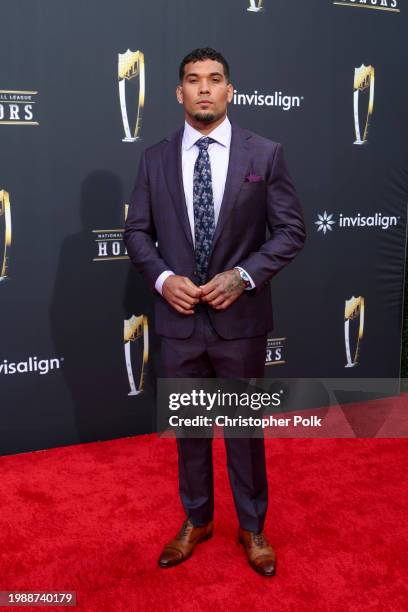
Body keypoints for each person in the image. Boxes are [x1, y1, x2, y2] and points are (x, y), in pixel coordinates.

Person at [124, 47, 306, 577]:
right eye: (193, 80)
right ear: (179, 93)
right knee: (191, 429)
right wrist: (163, 279)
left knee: (245, 431)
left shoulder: (265, 154)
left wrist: (243, 275)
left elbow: (292, 230)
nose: (204, 88)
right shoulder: (154, 158)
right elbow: (136, 232)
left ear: (230, 90)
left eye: (215, 79)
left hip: (241, 322)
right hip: (178, 323)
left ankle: (252, 527)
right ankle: (197, 519)